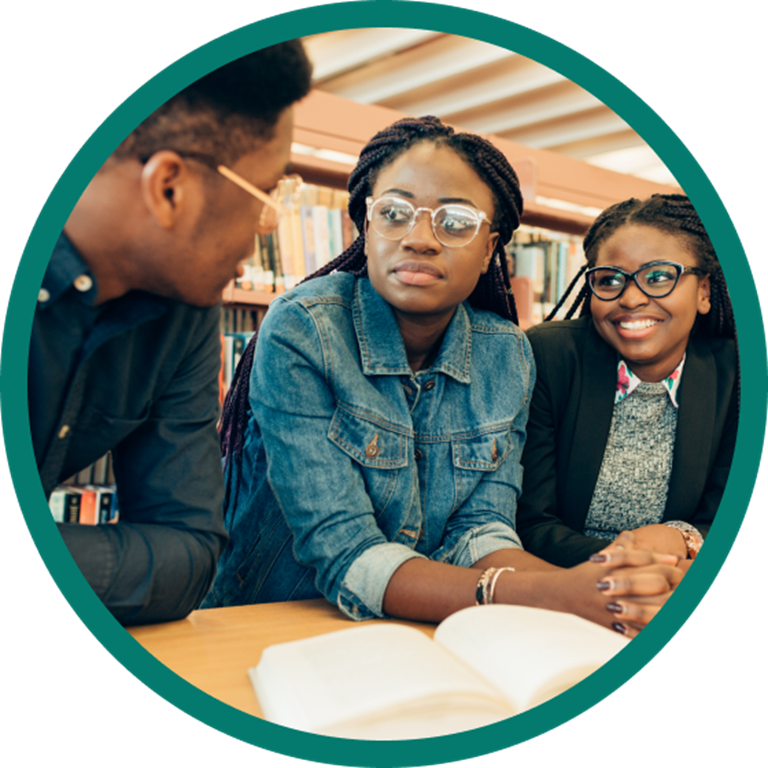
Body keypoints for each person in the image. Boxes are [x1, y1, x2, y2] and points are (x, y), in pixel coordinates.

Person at [205, 117, 684, 637]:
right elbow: (346, 552)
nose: (420, 239)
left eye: (455, 222)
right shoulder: (303, 330)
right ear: (366, 229)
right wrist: (555, 594)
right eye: (394, 213)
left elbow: (479, 531)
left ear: (488, 249)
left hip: (419, 632)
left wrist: (599, 591)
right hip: (268, 624)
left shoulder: (506, 355)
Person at [29, 40, 313, 625]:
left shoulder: (183, 307)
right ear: (169, 190)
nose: (268, 223)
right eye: (268, 192)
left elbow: (189, 552)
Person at [516, 194, 739, 568]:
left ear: (703, 291)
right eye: (610, 280)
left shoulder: (739, 377)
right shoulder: (549, 357)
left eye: (658, 277)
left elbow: (735, 519)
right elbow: (531, 523)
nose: (631, 298)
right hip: (561, 584)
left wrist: (682, 538)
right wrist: (637, 566)